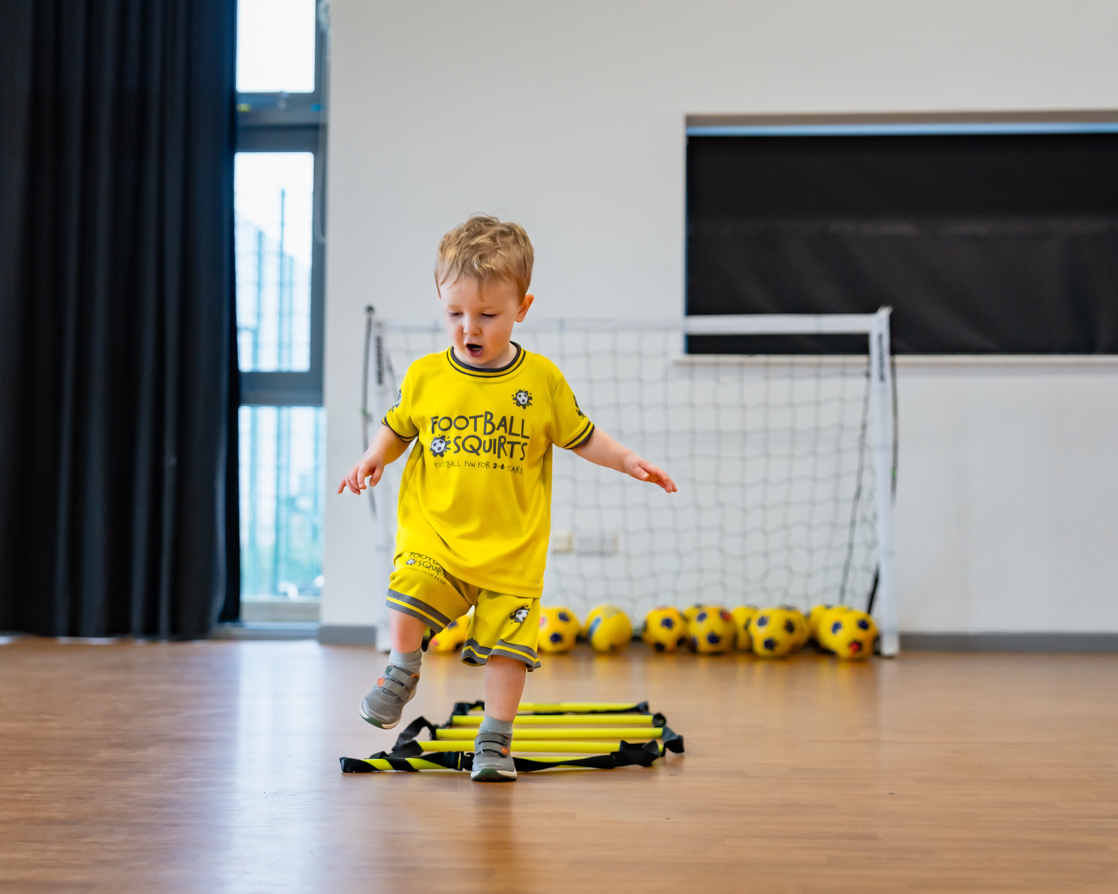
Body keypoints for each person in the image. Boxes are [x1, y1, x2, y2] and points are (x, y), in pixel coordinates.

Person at [338, 215, 676, 781]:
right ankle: (402, 669)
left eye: (488, 315)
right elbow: (398, 427)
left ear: (522, 307)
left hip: (510, 553)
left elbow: (583, 436)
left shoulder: (541, 380)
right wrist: (374, 456)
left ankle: (494, 742)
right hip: (437, 536)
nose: (469, 328)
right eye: (455, 314)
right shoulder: (426, 377)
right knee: (404, 601)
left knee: (507, 654)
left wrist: (626, 461)